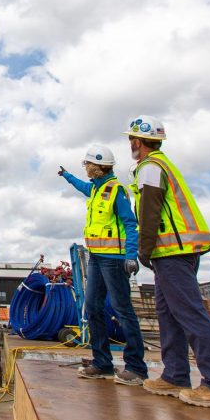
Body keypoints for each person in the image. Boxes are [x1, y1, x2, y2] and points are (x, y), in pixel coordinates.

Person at [126, 115, 210, 409]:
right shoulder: (161, 164)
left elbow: (149, 211)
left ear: (138, 141)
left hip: (173, 251)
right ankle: (175, 375)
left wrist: (144, 249)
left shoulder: (150, 167)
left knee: (189, 314)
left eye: (131, 140)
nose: (130, 145)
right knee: (168, 315)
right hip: (172, 252)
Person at [59, 144, 148, 386]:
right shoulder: (97, 189)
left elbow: (130, 223)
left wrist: (131, 255)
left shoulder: (116, 190)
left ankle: (137, 368)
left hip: (115, 259)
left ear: (99, 166)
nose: (86, 168)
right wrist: (67, 176)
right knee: (93, 308)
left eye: (88, 164)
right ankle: (102, 363)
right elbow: (82, 186)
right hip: (96, 257)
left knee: (122, 310)